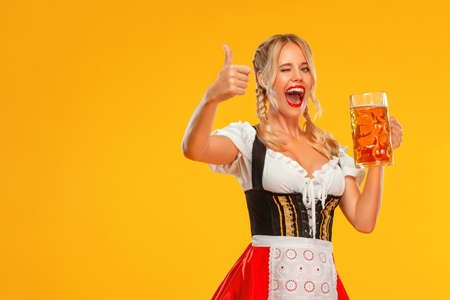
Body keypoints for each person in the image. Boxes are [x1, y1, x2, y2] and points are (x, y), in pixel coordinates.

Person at [182, 33, 403, 300]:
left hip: (322, 287)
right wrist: (211, 99)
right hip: (266, 283)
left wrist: (378, 156)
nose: (297, 76)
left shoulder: (331, 151)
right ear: (263, 79)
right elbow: (195, 149)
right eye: (285, 69)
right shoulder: (250, 142)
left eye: (304, 68)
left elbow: (364, 220)